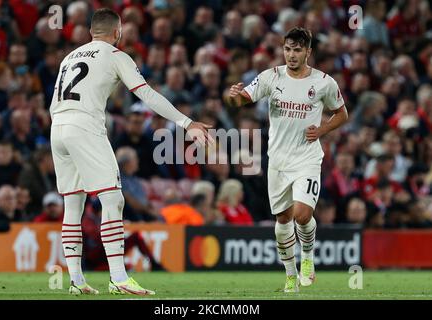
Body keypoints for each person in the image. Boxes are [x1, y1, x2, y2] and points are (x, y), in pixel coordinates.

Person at [49, 8, 213, 296]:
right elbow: (146, 94)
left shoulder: (69, 57)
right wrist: (186, 123)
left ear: (90, 32)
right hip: (85, 126)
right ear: (117, 32)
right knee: (113, 197)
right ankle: (119, 278)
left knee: (72, 205)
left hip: (58, 127)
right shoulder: (115, 55)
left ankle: (76, 280)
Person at [226, 27, 348, 293]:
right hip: (278, 161)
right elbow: (240, 101)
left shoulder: (324, 82)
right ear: (283, 50)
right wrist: (233, 96)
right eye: (288, 49)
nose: (291, 55)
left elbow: (342, 114)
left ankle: (307, 257)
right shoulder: (271, 77)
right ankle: (290, 275)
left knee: (302, 215)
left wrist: (322, 130)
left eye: (297, 50)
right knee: (283, 220)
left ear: (308, 52)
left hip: (307, 159)